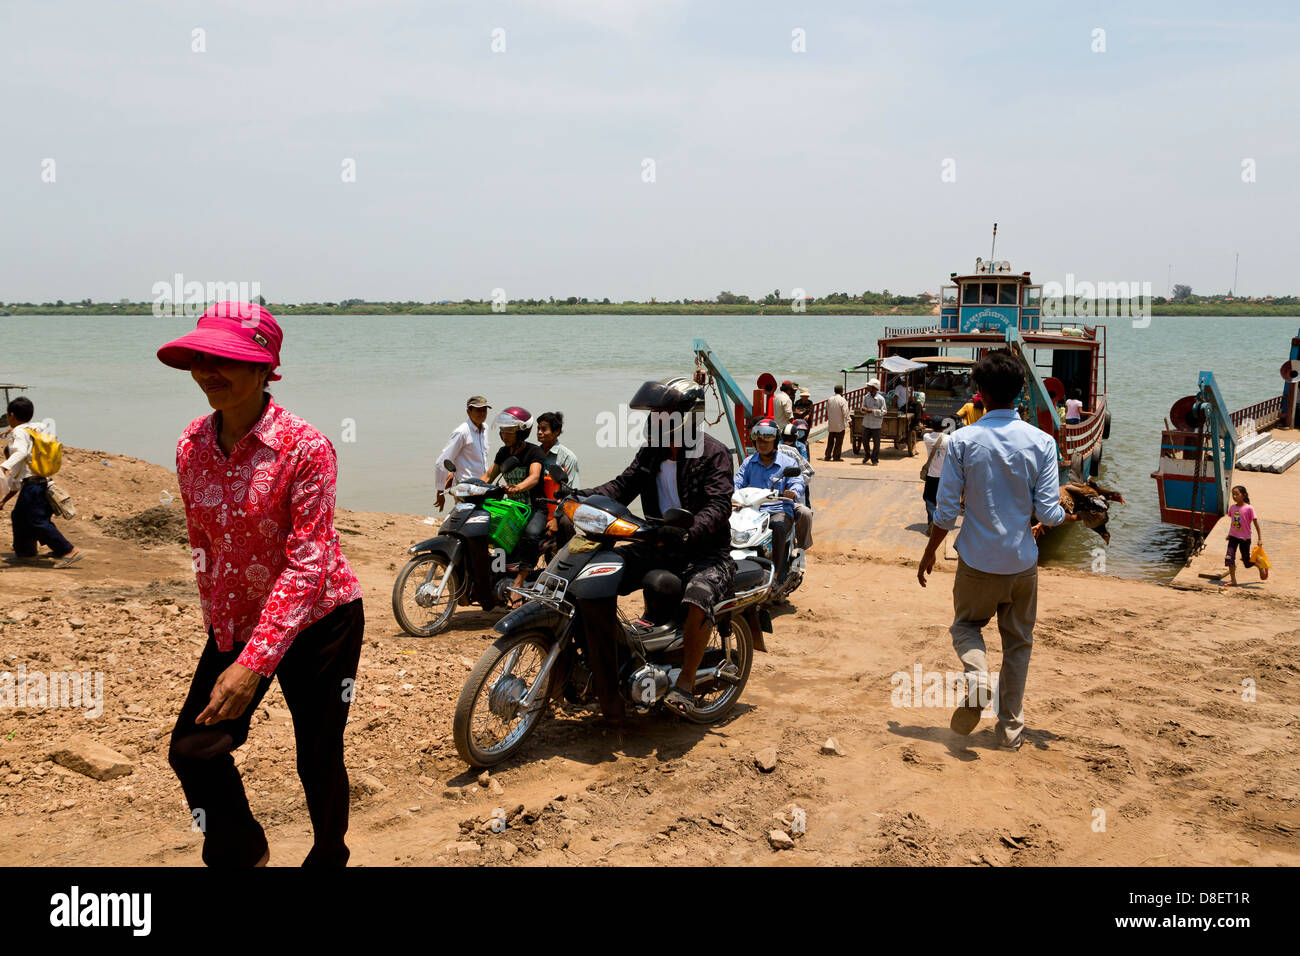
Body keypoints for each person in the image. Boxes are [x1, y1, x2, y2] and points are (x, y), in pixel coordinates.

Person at [157, 302, 364, 867]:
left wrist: (255, 663)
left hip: (322, 618)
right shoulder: (191, 445)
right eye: (202, 359)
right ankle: (241, 849)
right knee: (194, 749)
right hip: (241, 617)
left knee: (317, 752)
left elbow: (308, 560)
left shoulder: (306, 447)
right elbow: (204, 543)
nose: (208, 372)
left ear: (264, 367)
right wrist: (225, 634)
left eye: (225, 359)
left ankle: (328, 855)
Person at [917, 349, 1081, 752]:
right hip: (1022, 562)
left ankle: (976, 678)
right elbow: (1047, 510)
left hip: (976, 560)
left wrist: (930, 551)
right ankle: (1009, 732)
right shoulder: (1041, 442)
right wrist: (1068, 517)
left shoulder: (961, 441)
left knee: (966, 627)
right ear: (1022, 393)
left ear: (980, 394)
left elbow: (946, 508)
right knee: (1018, 645)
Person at [572, 377, 735, 719]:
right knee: (595, 570)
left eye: (665, 414)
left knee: (699, 593)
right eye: (656, 413)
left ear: (688, 418)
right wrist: (579, 496)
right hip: (660, 543)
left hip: (704, 550)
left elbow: (718, 507)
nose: (657, 420)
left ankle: (686, 685)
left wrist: (689, 532)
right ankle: (605, 662)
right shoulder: (653, 451)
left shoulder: (714, 453)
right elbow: (623, 485)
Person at [0, 398, 82, 567]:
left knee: (37, 520)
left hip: (33, 485)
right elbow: (41, 427)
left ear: (11, 415)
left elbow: (21, 451)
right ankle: (26, 553)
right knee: (19, 516)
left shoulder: (19, 433)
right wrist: (14, 429)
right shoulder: (34, 427)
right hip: (39, 482)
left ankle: (68, 550)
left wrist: (4, 466)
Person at [480, 406, 548, 605]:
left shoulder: (534, 452)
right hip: (510, 508)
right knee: (493, 534)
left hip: (534, 508)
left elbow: (535, 477)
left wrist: (518, 487)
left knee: (530, 535)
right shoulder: (503, 452)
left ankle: (519, 582)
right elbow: (488, 476)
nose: (504, 435)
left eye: (509, 431)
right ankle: (498, 576)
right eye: (502, 431)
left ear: (522, 431)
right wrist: (468, 487)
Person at [737, 419, 806, 586]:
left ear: (775, 441)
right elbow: (737, 481)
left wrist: (793, 492)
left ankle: (777, 573)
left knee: (778, 526)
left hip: (778, 510)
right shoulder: (749, 462)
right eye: (759, 440)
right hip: (752, 511)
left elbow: (798, 482)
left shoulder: (787, 462)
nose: (762, 444)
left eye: (767, 440)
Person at [434, 396, 491, 512]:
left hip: (482, 485)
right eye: (478, 410)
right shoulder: (462, 432)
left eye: (484, 410)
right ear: (468, 411)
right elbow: (442, 462)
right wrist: (440, 491)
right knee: (465, 522)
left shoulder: (485, 428)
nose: (482, 413)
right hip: (465, 487)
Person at [536, 411, 579, 548]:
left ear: (556, 432)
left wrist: (555, 518)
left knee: (565, 523)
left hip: (562, 508)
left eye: (544, 429)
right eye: (538, 428)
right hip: (541, 505)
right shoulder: (535, 454)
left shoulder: (568, 457)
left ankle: (572, 557)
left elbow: (571, 493)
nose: (539, 432)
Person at [1224, 485, 1263, 587]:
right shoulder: (1232, 508)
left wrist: (1259, 538)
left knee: (1247, 562)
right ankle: (1233, 580)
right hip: (1233, 537)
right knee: (1229, 558)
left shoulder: (1249, 508)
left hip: (1245, 538)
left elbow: (1256, 524)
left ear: (1244, 495)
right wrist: (1229, 534)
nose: (1234, 496)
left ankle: (1259, 565)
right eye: (1233, 494)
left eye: (1237, 494)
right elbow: (1233, 522)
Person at [919, 419, 949, 532]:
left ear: (932, 426)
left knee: (929, 499)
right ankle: (941, 523)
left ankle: (932, 520)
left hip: (931, 475)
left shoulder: (926, 437)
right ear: (943, 427)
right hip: (945, 475)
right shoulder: (948, 439)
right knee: (943, 500)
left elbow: (927, 434)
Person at [859, 379, 887, 465]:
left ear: (874, 388)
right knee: (865, 441)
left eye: (869, 386)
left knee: (876, 444)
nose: (867, 387)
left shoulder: (881, 399)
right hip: (866, 423)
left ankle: (874, 459)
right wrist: (863, 410)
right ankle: (867, 455)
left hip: (876, 425)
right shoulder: (866, 397)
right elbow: (862, 408)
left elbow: (884, 411)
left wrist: (873, 411)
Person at [824, 384, 850, 461]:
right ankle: (836, 456)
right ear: (842, 391)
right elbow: (845, 412)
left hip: (831, 424)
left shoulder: (829, 399)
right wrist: (849, 421)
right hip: (839, 425)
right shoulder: (843, 400)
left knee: (830, 441)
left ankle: (827, 456)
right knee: (838, 442)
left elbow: (827, 411)